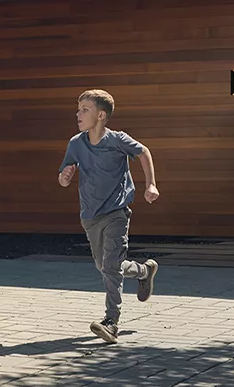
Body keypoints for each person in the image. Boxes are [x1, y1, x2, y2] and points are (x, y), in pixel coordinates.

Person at [58, 89, 160, 344]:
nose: (78, 114)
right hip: (90, 215)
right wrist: (65, 177)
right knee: (105, 266)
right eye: (78, 108)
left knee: (111, 266)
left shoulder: (117, 140)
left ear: (101, 115)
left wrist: (151, 184)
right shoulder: (76, 143)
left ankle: (111, 321)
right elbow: (63, 176)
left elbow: (144, 152)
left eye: (85, 109)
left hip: (116, 210)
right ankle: (144, 272)